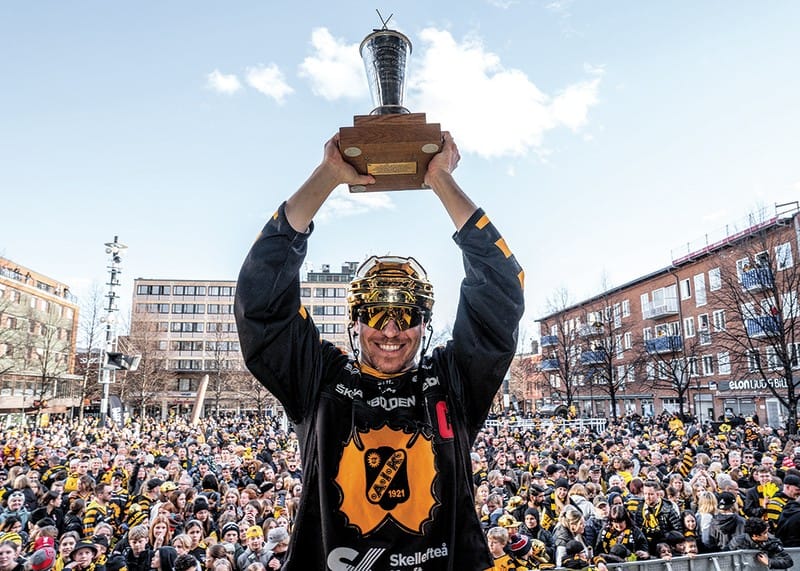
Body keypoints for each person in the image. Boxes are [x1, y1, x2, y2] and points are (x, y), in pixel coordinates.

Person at [234, 131, 525, 571]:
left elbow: (501, 291)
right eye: (375, 313)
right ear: (355, 322)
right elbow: (260, 303)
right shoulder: (320, 379)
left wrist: (441, 180)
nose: (391, 330)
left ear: (424, 324)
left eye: (406, 315)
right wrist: (327, 176)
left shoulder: (453, 381)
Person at [728, 518, 792, 569]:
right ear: (755, 535)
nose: (767, 535)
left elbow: (788, 561)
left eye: (767, 532)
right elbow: (725, 558)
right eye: (765, 533)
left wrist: (769, 562)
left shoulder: (772, 541)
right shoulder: (738, 541)